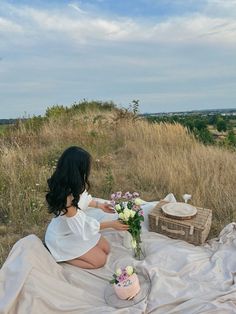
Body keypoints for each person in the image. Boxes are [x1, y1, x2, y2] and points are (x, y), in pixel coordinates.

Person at [45, 146, 129, 269]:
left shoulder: (71, 184)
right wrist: (112, 224)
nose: (88, 172)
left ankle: (72, 253)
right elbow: (84, 228)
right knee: (100, 260)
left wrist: (100, 205)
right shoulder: (66, 200)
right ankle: (61, 256)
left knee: (106, 248)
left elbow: (82, 199)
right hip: (62, 237)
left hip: (74, 229)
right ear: (77, 170)